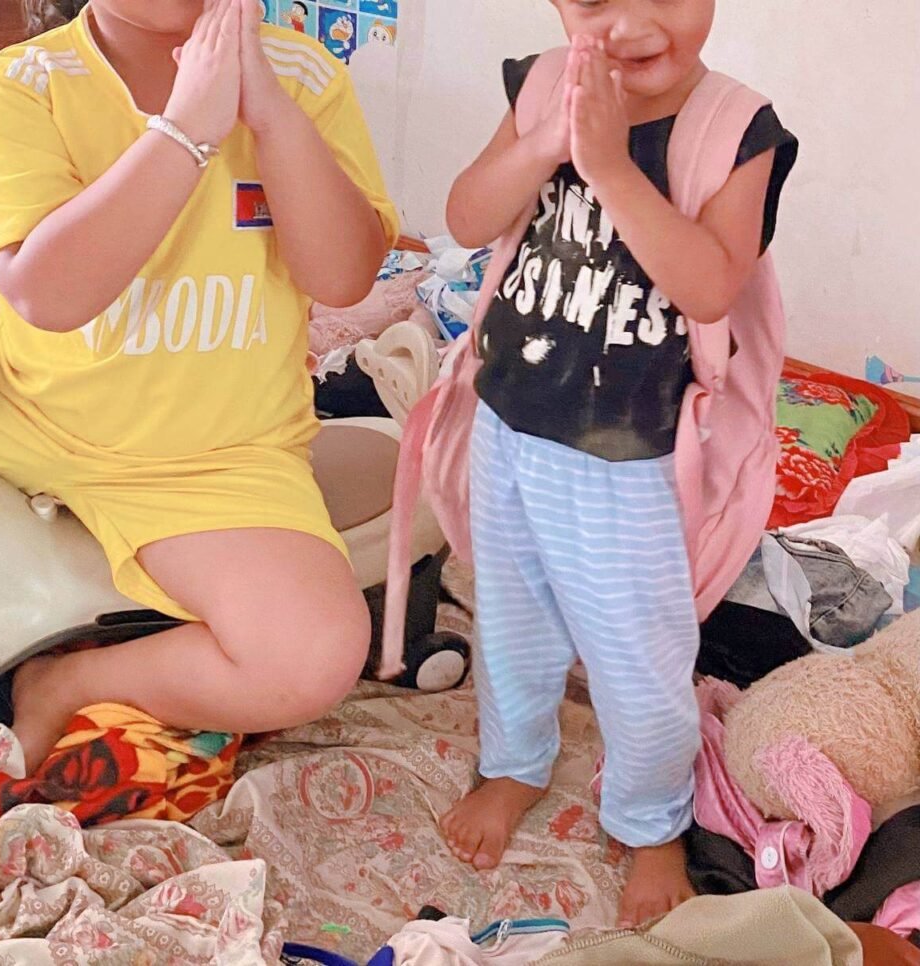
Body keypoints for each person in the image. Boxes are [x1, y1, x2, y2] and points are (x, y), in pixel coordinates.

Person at [0, 0, 399, 774]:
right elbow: (48, 297)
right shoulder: (22, 82)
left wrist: (268, 118)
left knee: (312, 657)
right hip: (24, 406)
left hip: (213, 454)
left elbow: (342, 277)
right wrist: (184, 129)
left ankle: (66, 680)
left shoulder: (303, 75)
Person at [437, 0, 797, 927]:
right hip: (510, 420)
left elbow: (713, 282)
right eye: (598, 0)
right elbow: (468, 214)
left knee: (638, 659)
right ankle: (514, 764)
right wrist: (543, 144)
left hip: (623, 453)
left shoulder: (737, 128)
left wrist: (605, 167)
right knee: (510, 623)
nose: (635, 23)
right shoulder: (540, 82)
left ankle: (651, 821)